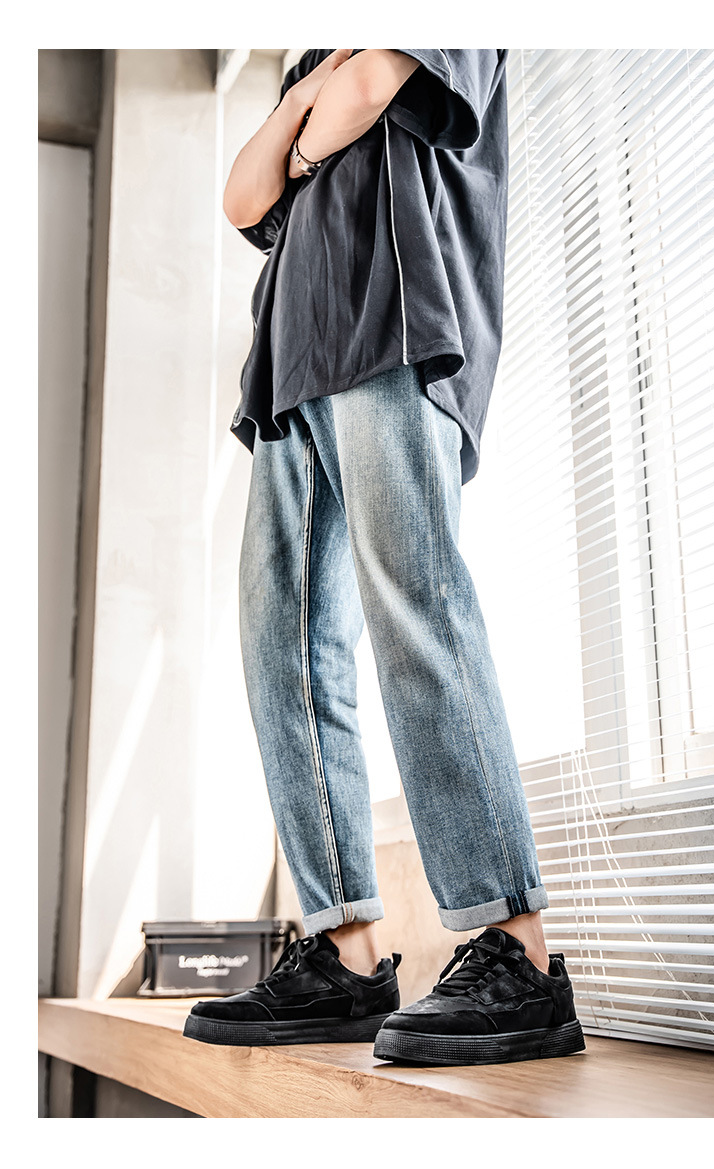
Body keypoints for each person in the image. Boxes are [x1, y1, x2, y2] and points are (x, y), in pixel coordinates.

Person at [183, 49, 583, 1067]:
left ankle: (519, 954)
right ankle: (344, 950)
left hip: (392, 321)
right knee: (280, 646)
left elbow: (371, 88)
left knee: (415, 605)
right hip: (289, 361)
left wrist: (302, 127)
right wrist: (310, 103)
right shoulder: (314, 56)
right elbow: (243, 198)